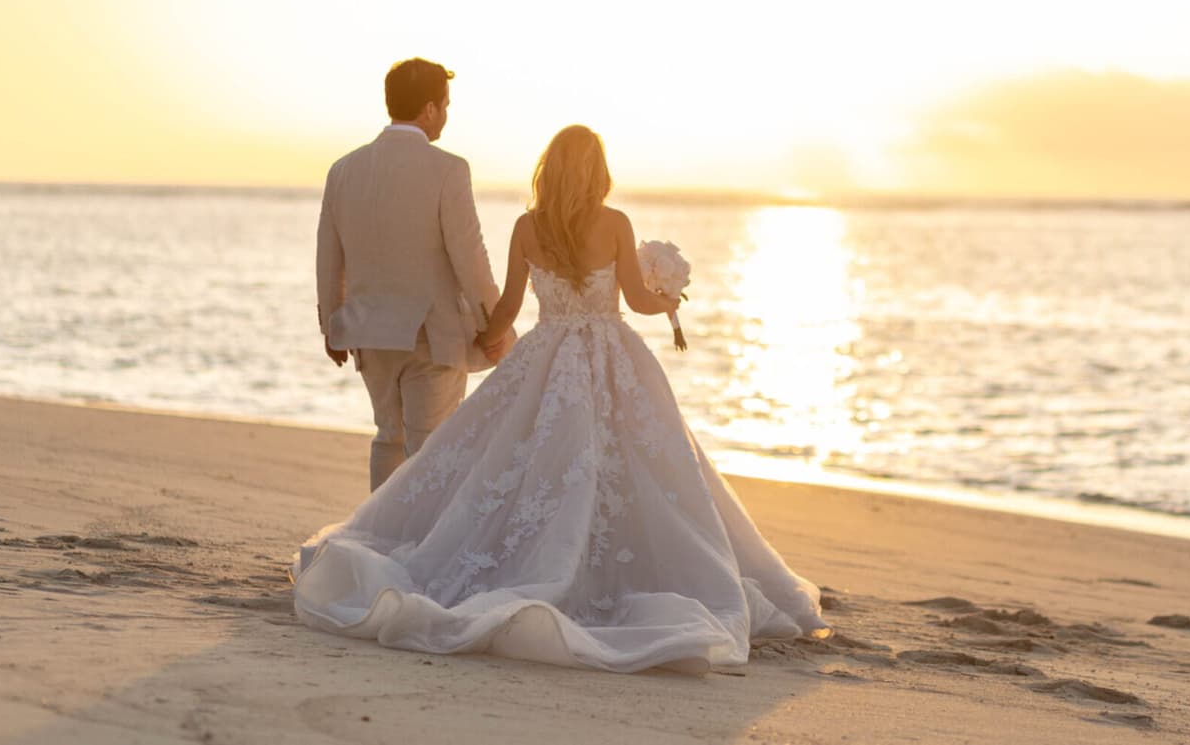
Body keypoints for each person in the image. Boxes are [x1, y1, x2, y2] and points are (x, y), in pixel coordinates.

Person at [292, 124, 829, 673]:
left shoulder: (528, 227)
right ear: (598, 172)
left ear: (549, 171)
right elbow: (636, 300)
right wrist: (668, 301)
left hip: (545, 355)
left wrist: (486, 338)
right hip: (612, 356)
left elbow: (508, 306)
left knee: (528, 459)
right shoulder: (615, 223)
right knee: (635, 461)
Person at [316, 57, 503, 491]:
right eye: (446, 105)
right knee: (431, 450)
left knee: (388, 439)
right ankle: (421, 534)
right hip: (430, 335)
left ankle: (379, 529)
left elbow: (329, 256)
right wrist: (493, 324)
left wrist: (331, 324)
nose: (446, 115)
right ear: (430, 109)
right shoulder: (449, 169)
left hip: (368, 332)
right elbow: (469, 254)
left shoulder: (343, 170)